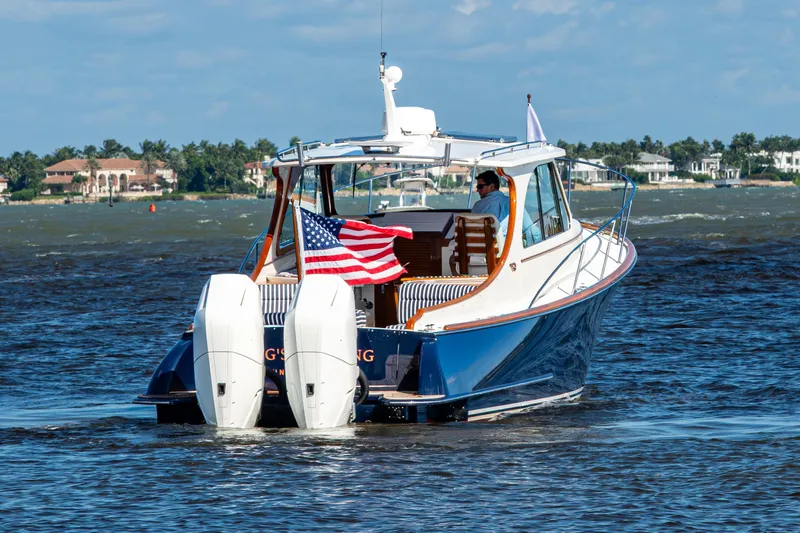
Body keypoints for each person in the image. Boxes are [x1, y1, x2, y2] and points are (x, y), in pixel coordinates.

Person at [471, 170, 541, 245]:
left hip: (476, 249)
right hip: (502, 251)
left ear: (491, 186)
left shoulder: (477, 206)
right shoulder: (511, 203)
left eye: (480, 187)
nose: (477, 190)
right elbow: (532, 232)